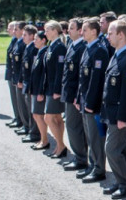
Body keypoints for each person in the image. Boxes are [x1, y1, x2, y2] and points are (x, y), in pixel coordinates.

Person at [101, 20, 126, 199]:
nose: (107, 36)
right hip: (111, 112)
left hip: (119, 115)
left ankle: (125, 184)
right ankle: (122, 182)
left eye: (110, 33)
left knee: (111, 149)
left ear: (121, 35)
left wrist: (124, 116)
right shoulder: (117, 55)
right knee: (120, 150)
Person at [75, 18, 110, 184]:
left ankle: (99, 169)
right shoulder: (88, 48)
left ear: (94, 31)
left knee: (96, 137)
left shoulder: (99, 51)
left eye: (85, 30)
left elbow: (96, 81)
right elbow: (82, 79)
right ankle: (92, 164)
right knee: (89, 136)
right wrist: (78, 98)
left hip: (93, 104)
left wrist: (89, 102)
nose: (82, 32)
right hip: (84, 100)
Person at [61, 19, 89, 171]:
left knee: (74, 127)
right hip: (69, 92)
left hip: (74, 95)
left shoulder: (82, 48)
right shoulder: (72, 45)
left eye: (71, 28)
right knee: (73, 127)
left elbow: (81, 76)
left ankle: (80, 158)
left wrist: (77, 96)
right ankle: (80, 156)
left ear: (79, 31)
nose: (68, 30)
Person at [43, 21, 68, 158]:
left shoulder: (59, 47)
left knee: (49, 117)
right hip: (50, 88)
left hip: (55, 89)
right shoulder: (52, 46)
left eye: (47, 30)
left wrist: (57, 90)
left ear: (54, 30)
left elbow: (60, 71)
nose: (45, 33)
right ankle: (60, 145)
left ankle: (61, 145)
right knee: (56, 118)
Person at [19, 25, 41, 144]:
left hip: (31, 84)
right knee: (29, 109)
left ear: (32, 36)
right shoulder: (28, 47)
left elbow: (33, 70)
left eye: (25, 35)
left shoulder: (34, 48)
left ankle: (35, 133)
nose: (23, 37)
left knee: (33, 111)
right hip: (27, 83)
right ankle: (31, 130)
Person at [29, 31, 49, 151]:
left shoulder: (45, 52)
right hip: (35, 88)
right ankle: (42, 138)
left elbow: (44, 74)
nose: (34, 41)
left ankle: (45, 140)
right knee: (36, 114)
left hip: (40, 90)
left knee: (39, 115)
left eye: (36, 39)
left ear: (43, 40)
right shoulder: (39, 52)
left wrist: (41, 92)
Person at [4, 22, 23, 128]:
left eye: (11, 28)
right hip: (11, 74)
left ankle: (20, 119)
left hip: (15, 75)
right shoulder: (14, 40)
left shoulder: (19, 41)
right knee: (14, 99)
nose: (10, 30)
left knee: (18, 100)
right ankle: (17, 117)